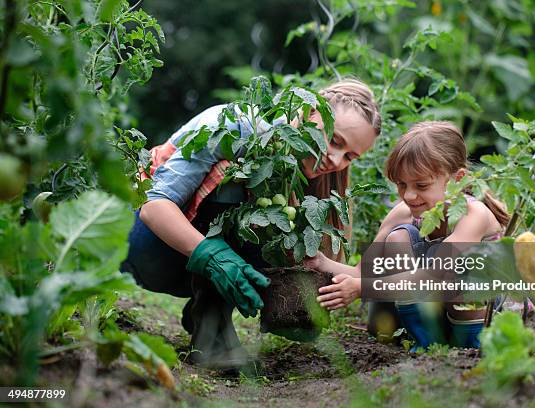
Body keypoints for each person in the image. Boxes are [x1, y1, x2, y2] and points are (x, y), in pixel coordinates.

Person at [120, 78, 381, 369]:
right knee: (236, 174)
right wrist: (212, 255)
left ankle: (206, 317)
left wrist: (341, 282)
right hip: (142, 244)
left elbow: (333, 265)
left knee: (276, 218)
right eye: (334, 141)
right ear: (309, 113)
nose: (335, 159)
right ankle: (213, 338)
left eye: (350, 156)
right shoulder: (237, 128)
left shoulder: (307, 177)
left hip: (189, 263)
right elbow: (153, 207)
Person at [306, 121, 510, 349]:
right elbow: (361, 272)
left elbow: (436, 275)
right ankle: (425, 342)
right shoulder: (404, 213)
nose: (409, 196)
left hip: (492, 315)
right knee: (398, 238)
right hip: (442, 310)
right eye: (402, 184)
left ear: (457, 179)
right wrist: (320, 262)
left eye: (421, 185)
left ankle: (470, 346)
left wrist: (361, 288)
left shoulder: (474, 214)